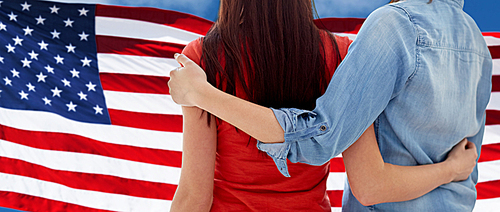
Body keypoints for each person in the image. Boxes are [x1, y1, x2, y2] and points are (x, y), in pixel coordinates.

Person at [169, 0, 484, 211]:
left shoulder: (204, 61)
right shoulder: (339, 54)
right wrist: (451, 170)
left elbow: (195, 196)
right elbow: (370, 176)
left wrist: (200, 92)